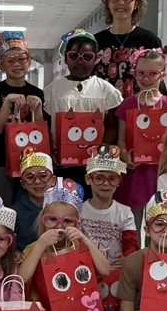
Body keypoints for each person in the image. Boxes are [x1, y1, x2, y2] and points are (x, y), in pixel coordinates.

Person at [18, 178, 119, 311]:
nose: (59, 226)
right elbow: (22, 278)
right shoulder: (35, 248)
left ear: (76, 223)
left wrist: (85, 240)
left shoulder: (80, 245)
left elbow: (106, 270)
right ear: (43, 220)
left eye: (67, 221)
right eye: (52, 219)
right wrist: (40, 245)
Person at [42, 28, 123, 192]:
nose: (80, 61)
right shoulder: (51, 91)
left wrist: (101, 154)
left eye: (87, 57)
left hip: (95, 165)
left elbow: (112, 126)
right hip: (61, 165)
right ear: (65, 58)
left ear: (95, 58)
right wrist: (50, 152)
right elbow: (44, 126)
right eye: (74, 56)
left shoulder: (106, 90)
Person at [116, 48, 167, 235]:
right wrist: (124, 155)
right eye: (141, 73)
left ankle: (156, 260)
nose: (146, 79)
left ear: (163, 75)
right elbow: (121, 139)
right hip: (134, 174)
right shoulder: (127, 105)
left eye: (152, 74)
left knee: (160, 221)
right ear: (134, 73)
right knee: (132, 225)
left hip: (161, 173)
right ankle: (135, 259)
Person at [0, 31, 47, 205]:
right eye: (10, 61)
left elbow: (40, 129)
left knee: (29, 203)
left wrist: (38, 108)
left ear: (29, 62)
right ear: (2, 66)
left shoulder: (37, 92)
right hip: (0, 158)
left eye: (21, 59)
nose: (17, 64)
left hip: (31, 158)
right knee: (0, 204)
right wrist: (8, 103)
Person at [93, 0, 165, 98]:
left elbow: (159, 80)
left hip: (139, 112)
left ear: (136, 3)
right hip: (103, 112)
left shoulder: (149, 39)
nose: (121, 3)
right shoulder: (97, 41)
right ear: (108, 2)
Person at [79, 145, 139, 267]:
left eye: (112, 178)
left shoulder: (125, 212)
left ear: (119, 181)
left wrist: (126, 257)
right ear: (88, 179)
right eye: (99, 178)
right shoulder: (78, 211)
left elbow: (131, 244)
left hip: (116, 273)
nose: (105, 183)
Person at [13, 147, 56, 252]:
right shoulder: (14, 212)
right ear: (23, 184)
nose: (37, 181)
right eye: (30, 177)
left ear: (53, 180)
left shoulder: (63, 208)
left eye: (43, 176)